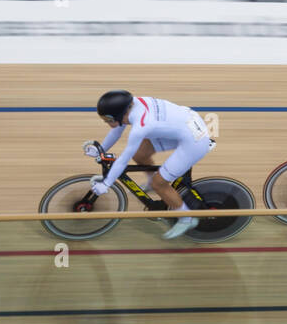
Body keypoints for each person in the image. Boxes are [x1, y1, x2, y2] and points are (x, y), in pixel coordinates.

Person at [88, 90, 215, 239]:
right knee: (140, 155)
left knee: (159, 183)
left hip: (194, 141)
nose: (107, 123)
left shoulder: (142, 125)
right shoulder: (129, 105)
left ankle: (186, 218)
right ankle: (151, 181)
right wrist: (101, 150)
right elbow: (116, 131)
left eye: (108, 119)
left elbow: (123, 159)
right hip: (185, 124)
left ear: (119, 114)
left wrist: (107, 183)